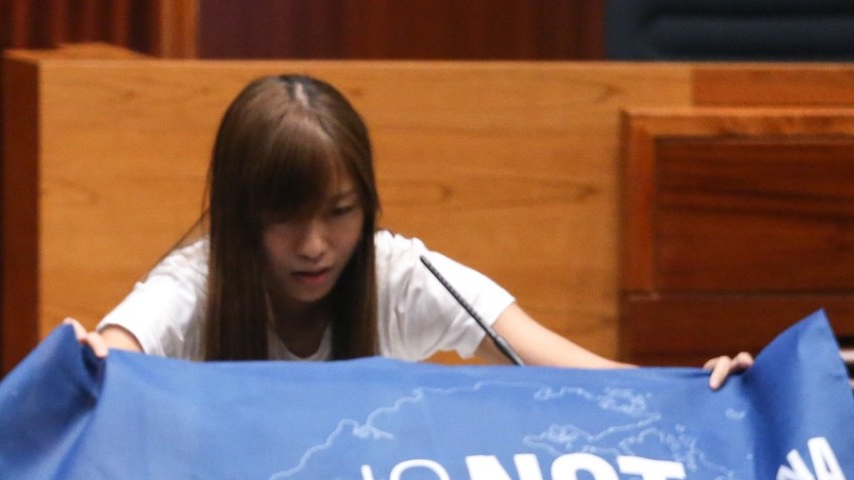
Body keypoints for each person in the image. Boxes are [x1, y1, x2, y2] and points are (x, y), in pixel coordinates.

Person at [68, 73, 752, 389]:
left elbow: (582, 375)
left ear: (368, 205)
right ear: (245, 214)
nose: (315, 245)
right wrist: (85, 356)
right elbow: (112, 351)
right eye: (286, 217)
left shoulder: (402, 277)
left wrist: (705, 389)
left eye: (339, 212)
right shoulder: (200, 282)